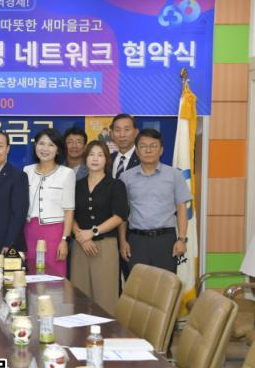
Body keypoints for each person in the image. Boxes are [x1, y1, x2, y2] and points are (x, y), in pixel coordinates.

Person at [119, 129, 191, 274]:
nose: (148, 150)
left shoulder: (174, 175)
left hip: (166, 241)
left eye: (153, 146)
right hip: (136, 241)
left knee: (165, 285)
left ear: (161, 150)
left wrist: (182, 239)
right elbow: (122, 213)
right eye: (143, 146)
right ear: (137, 151)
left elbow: (181, 208)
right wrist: (122, 242)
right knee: (138, 285)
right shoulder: (126, 177)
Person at [71, 141, 128, 315]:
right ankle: (80, 331)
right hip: (80, 246)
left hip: (105, 246)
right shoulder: (76, 185)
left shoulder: (115, 185)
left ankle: (107, 332)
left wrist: (92, 232)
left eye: (100, 155)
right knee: (79, 297)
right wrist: (81, 237)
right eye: (91, 155)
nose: (95, 159)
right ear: (85, 158)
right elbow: (69, 214)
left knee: (105, 298)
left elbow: (119, 216)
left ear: (106, 159)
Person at [23, 128, 75, 276]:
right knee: (30, 274)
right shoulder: (27, 171)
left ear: (58, 150)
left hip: (54, 234)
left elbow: (69, 210)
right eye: (41, 144)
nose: (45, 149)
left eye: (51, 145)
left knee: (54, 276)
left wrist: (64, 240)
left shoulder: (66, 173)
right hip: (29, 231)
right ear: (35, 146)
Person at [110, 113, 140, 285]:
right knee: (111, 284)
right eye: (117, 130)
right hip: (107, 234)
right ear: (111, 134)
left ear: (135, 132)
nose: (122, 134)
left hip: (135, 233)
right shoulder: (107, 160)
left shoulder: (144, 160)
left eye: (126, 129)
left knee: (135, 283)